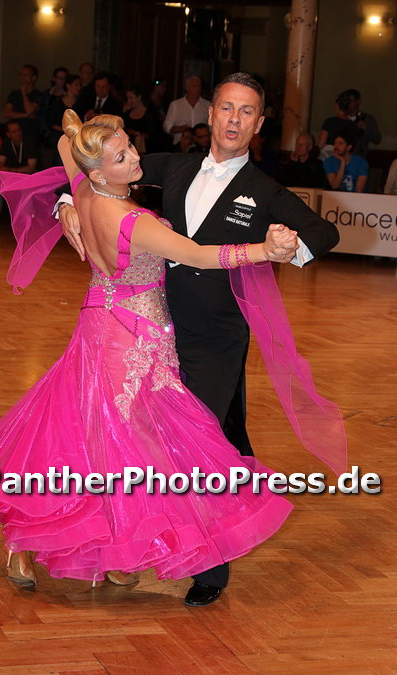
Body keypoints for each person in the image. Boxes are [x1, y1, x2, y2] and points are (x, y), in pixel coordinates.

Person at [0, 109, 311, 600]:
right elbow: (200, 255)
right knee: (124, 446)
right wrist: (263, 250)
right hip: (133, 339)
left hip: (101, 322)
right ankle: (36, 540)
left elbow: (69, 139)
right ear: (98, 171)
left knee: (87, 438)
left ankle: (85, 548)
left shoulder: (87, 191)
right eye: (121, 156)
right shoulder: (133, 220)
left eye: (129, 146)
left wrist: (68, 198)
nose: (135, 157)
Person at [58, 73, 342, 605]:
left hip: (215, 338)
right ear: (210, 114)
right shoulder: (175, 165)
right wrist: (66, 203)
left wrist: (290, 246)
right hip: (153, 330)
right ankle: (152, 535)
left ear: (259, 123)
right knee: (186, 439)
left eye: (247, 111)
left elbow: (325, 233)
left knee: (201, 445)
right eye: (227, 108)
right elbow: (90, 161)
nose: (234, 119)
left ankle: (211, 567)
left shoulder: (264, 190)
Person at [0, 120, 37, 223]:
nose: (18, 133)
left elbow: (31, 167)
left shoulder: (29, 142)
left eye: (19, 130)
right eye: (14, 131)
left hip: (27, 175)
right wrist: (6, 170)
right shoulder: (6, 142)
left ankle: (25, 216)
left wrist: (13, 171)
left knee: (26, 183)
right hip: (12, 174)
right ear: (8, 134)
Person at [163, 76, 210, 146]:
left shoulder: (208, 105)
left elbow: (212, 127)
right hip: (180, 146)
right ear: (187, 88)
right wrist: (179, 129)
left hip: (201, 147)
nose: (198, 88)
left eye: (200, 86)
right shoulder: (176, 105)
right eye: (195, 86)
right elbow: (167, 126)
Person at [4, 65, 44, 143]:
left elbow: (30, 111)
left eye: (26, 75)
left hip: (31, 131)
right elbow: (6, 113)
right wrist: (25, 115)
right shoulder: (14, 94)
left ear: (33, 78)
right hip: (14, 131)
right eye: (21, 75)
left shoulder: (38, 95)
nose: (23, 77)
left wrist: (24, 94)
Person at [344, 88, 381, 157]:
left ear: (358, 101)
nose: (348, 103)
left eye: (350, 101)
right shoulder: (341, 118)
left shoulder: (367, 119)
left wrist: (365, 128)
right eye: (346, 101)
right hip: (340, 158)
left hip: (358, 158)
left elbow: (377, 140)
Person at [123, 86, 157, 155]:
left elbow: (154, 135)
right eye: (127, 98)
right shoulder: (126, 114)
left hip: (146, 152)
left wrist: (137, 133)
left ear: (139, 97)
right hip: (128, 151)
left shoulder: (149, 114)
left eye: (131, 98)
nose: (129, 101)